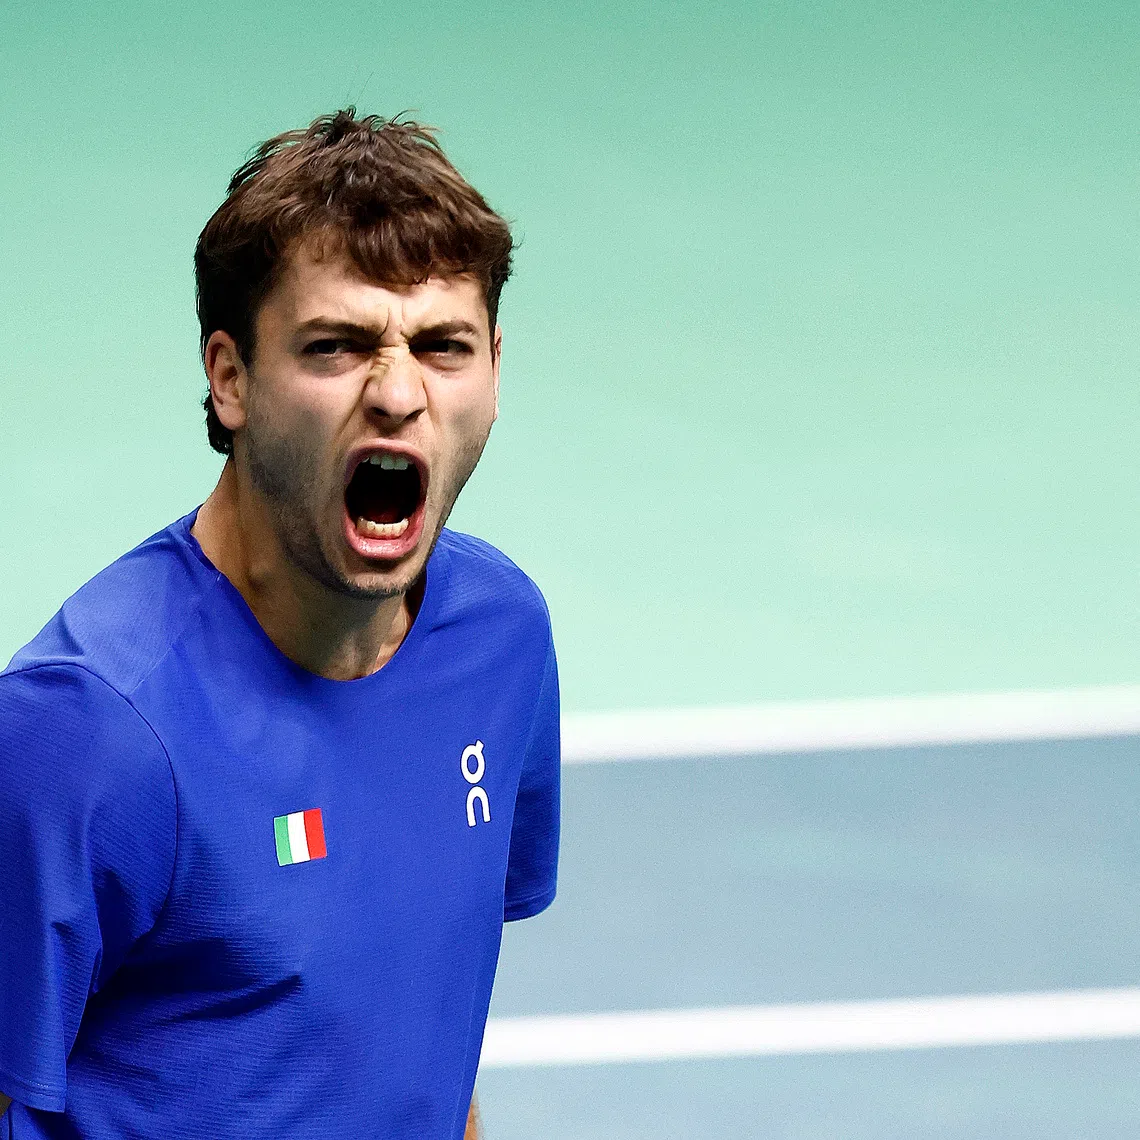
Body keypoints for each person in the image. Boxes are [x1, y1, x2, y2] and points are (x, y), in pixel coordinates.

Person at [0, 109, 560, 1140]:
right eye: (336, 346)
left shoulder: (501, 639)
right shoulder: (85, 732)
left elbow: (420, 1031)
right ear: (230, 377)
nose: (398, 393)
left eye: (445, 346)